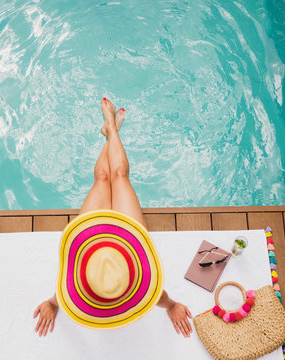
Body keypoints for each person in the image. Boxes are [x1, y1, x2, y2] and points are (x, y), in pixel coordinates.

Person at [34, 97, 193, 338]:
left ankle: (111, 128)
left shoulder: (87, 286)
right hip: (126, 244)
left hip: (92, 243)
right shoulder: (117, 283)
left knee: (102, 177)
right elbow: (156, 293)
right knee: (119, 175)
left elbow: (62, 295)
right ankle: (112, 129)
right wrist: (171, 306)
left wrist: (53, 304)